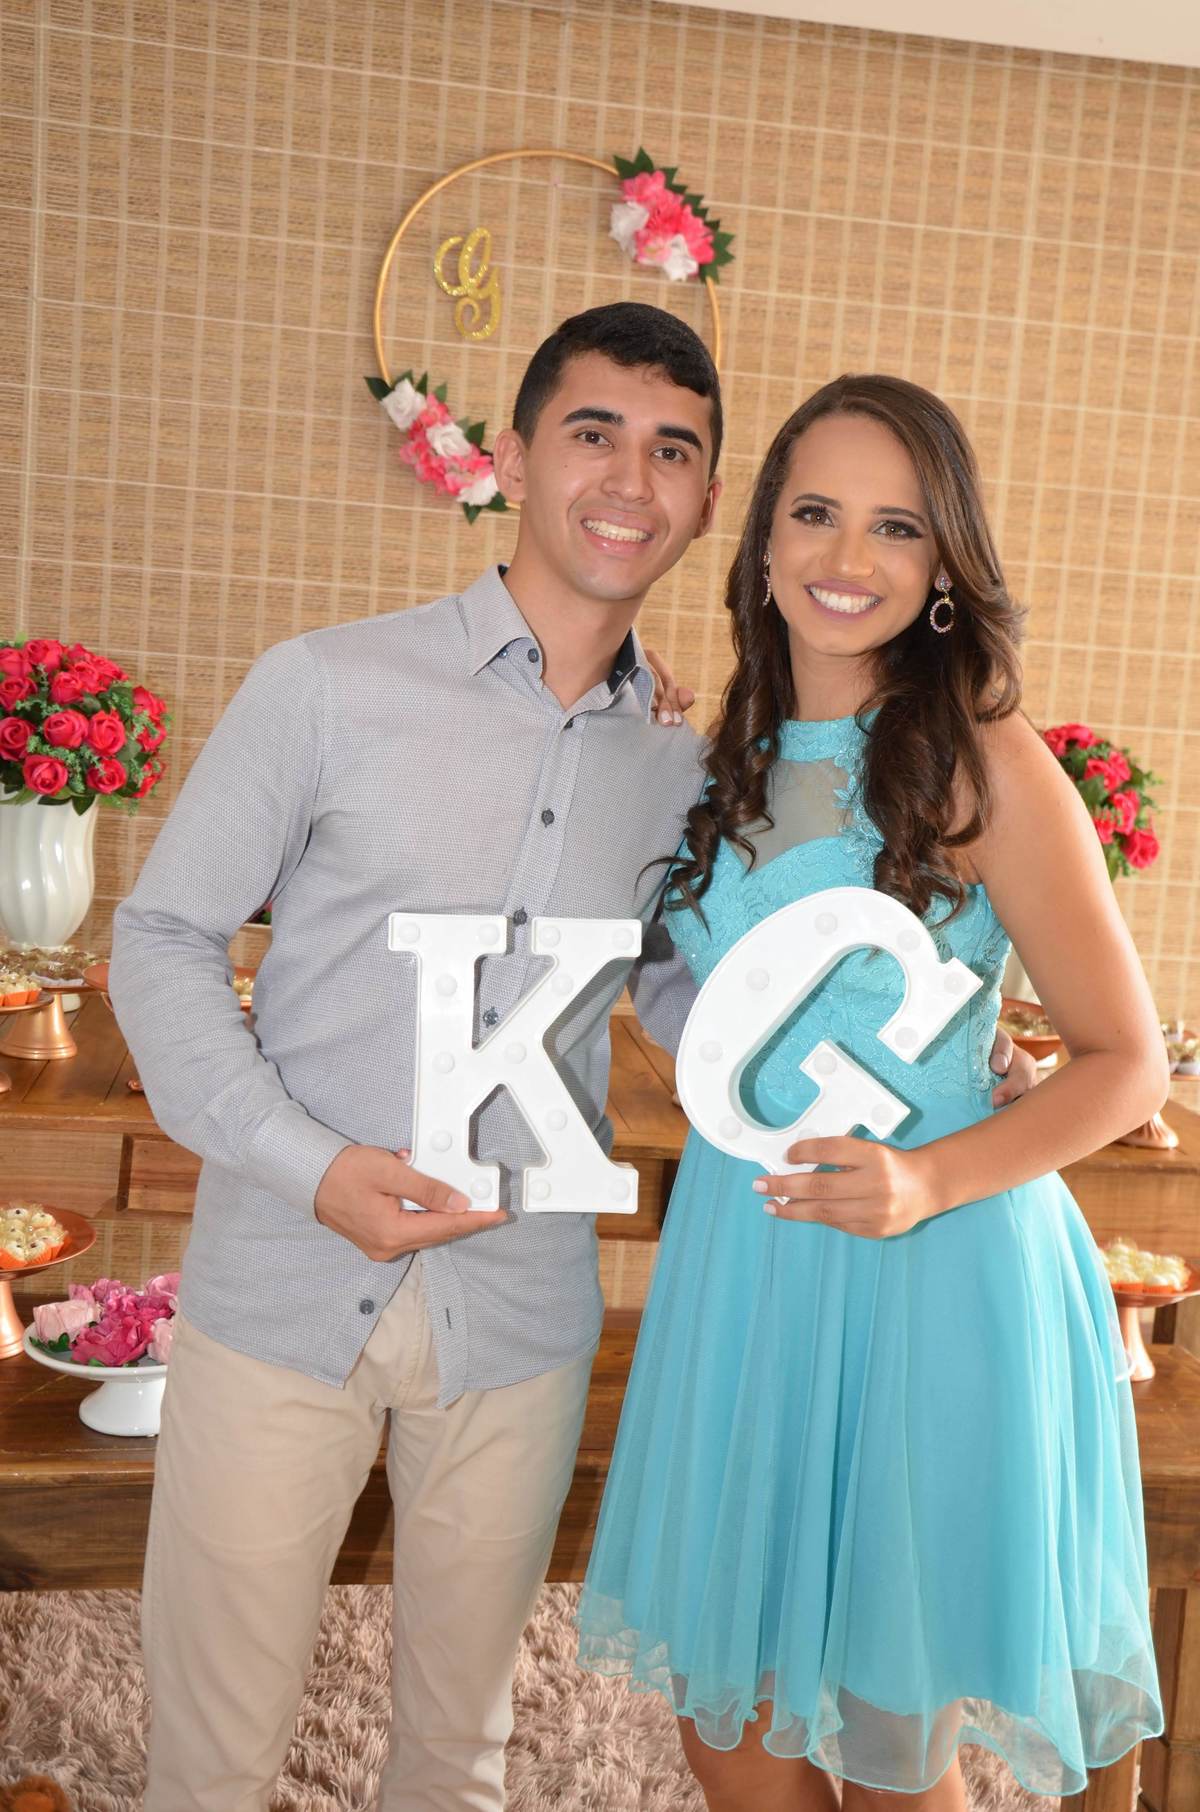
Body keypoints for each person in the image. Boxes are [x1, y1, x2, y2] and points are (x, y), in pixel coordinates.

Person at [110, 310, 1030, 1812]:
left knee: (462, 1754)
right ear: (517, 455)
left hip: (521, 1313)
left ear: (709, 502)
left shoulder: (689, 766)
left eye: (674, 451)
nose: (628, 478)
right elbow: (159, 940)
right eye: (594, 433)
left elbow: (681, 985)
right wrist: (309, 1167)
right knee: (207, 1763)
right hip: (282, 1284)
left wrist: (914, 1066)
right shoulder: (325, 687)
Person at [575, 374, 1167, 1811]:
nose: (848, 559)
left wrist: (924, 1178)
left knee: (888, 1735)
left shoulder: (986, 764)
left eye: (896, 527)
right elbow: (684, 986)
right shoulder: (718, 759)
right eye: (817, 514)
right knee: (730, 1722)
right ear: (762, 538)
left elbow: (1127, 1060)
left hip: (931, 1262)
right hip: (748, 1258)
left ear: (944, 561)